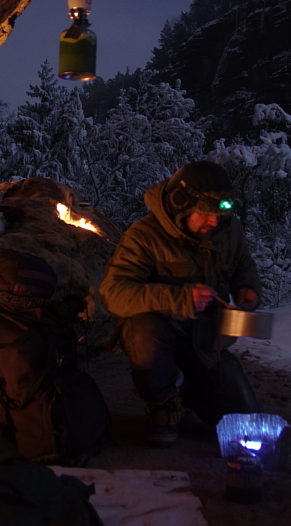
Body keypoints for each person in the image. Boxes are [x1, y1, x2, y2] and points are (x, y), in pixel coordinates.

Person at [99, 161, 262, 447]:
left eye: (219, 215)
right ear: (181, 206)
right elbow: (113, 293)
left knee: (243, 422)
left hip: (206, 342)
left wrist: (247, 288)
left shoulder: (226, 228)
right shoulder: (144, 236)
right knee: (144, 331)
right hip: (162, 335)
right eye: (205, 214)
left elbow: (243, 264)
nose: (213, 223)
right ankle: (164, 402)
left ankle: (191, 389)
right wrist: (178, 298)